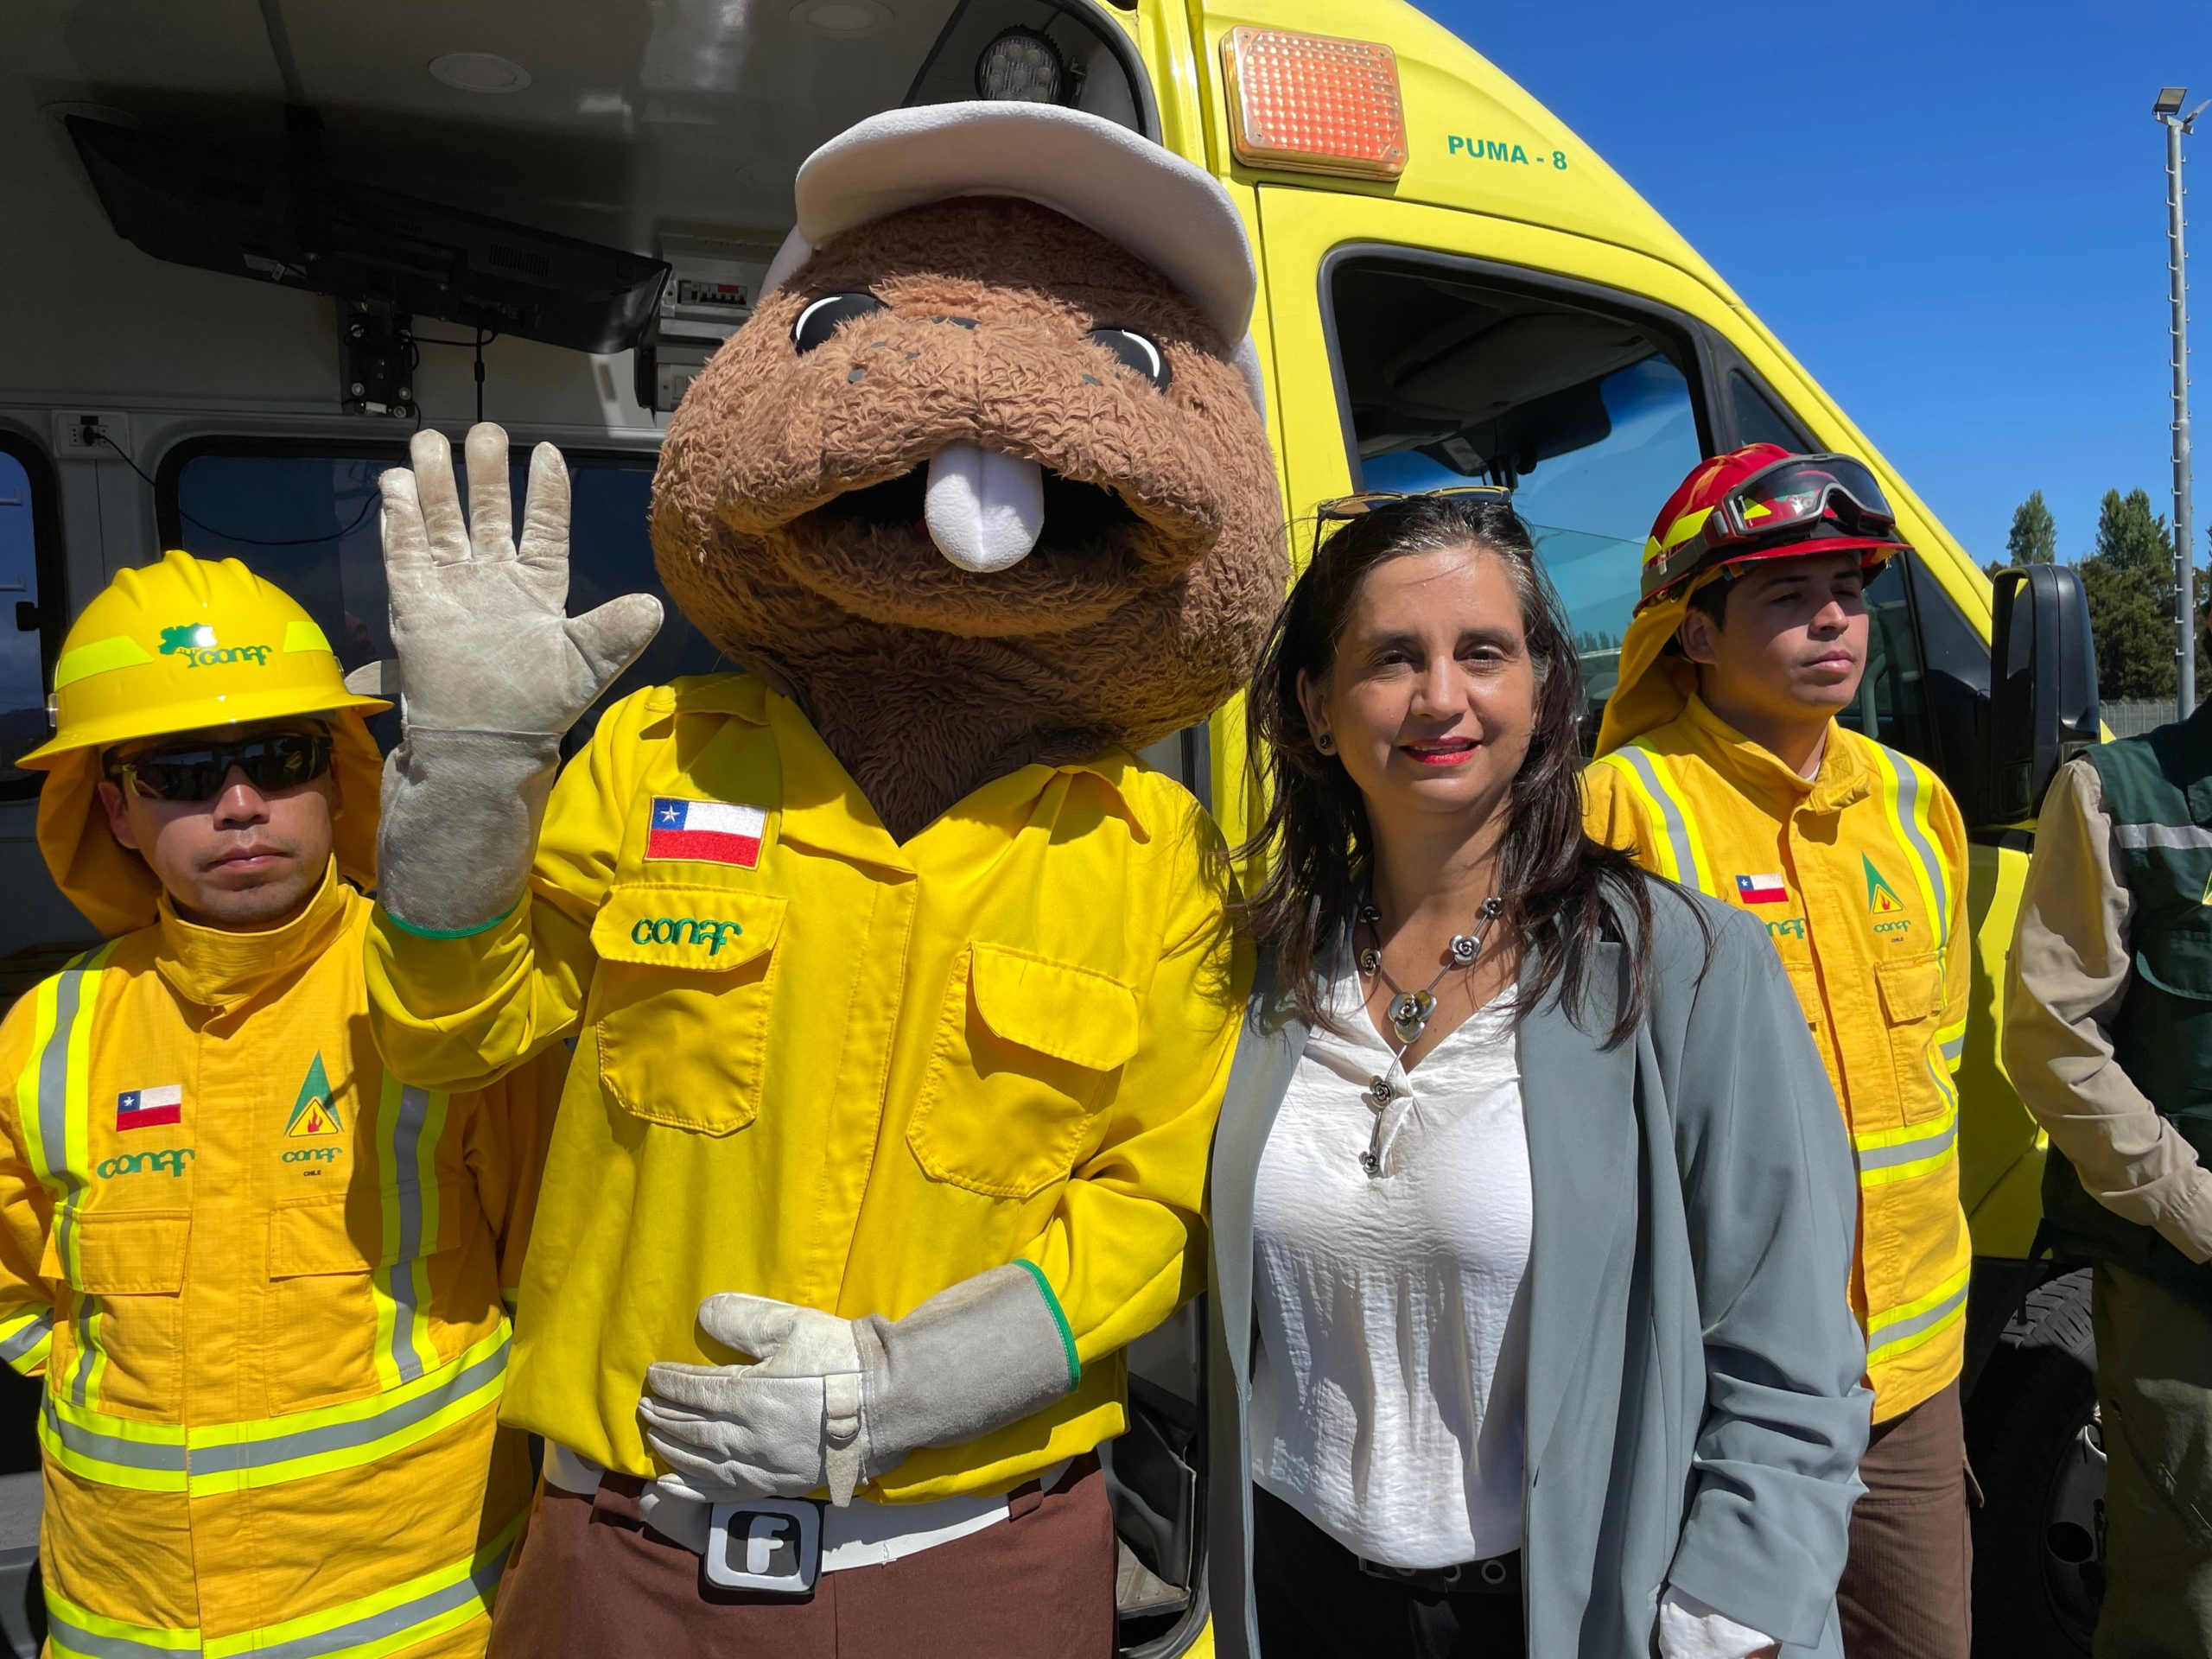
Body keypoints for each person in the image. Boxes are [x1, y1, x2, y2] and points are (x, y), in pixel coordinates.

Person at [358, 100, 1283, 1658]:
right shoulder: (655, 754)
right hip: (629, 1551)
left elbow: (1155, 1208)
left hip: (982, 1563)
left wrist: (899, 1389)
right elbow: (453, 1040)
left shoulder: (1154, 854)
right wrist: (465, 776)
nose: (981, 385)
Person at [1205, 489, 1869, 1659]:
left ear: (1546, 690)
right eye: (1392, 658)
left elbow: (1793, 1355)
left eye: (1483, 653)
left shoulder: (1688, 968)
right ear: (1314, 705)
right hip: (1295, 1590)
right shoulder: (1256, 975)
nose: (1441, 697)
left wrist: (1731, 1611)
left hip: (1564, 1611)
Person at [0, 550, 556, 1656]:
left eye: (277, 758)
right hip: (122, 1624)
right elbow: (26, 1309)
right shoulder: (47, 1030)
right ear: (114, 809)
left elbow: (548, 1273)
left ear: (337, 776)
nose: (240, 804)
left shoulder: (447, 999)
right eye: (179, 773)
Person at [1582, 446, 1973, 1658]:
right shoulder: (1619, 811)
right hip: (1716, 1392)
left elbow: (1943, 1049)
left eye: (1849, 590)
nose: (1834, 619)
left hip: (1907, 1384)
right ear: (1693, 634)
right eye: (1789, 595)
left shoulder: (1917, 805)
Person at [2003, 596, 2212, 1656]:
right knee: (2185, 1594)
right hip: (2186, 1282)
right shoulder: (2119, 795)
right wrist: (2197, 1211)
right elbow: (2052, 1040)